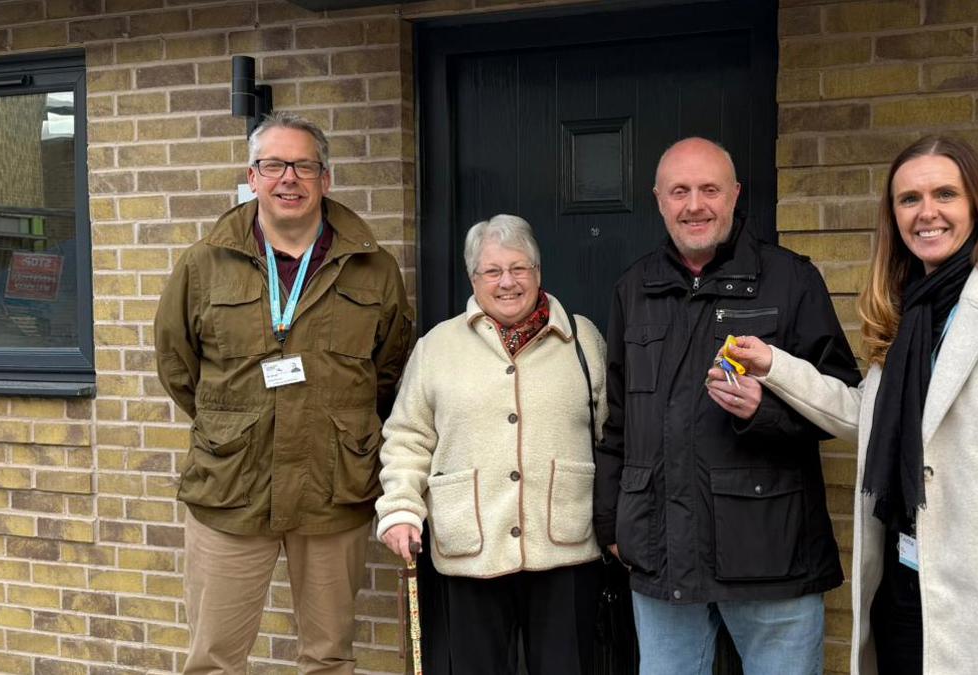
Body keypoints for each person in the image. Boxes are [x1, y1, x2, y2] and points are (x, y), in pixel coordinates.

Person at [721, 135, 978, 674]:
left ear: (977, 204)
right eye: (909, 199)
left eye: (946, 194)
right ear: (893, 214)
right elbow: (866, 419)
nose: (927, 213)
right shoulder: (907, 310)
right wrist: (775, 367)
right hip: (903, 583)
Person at [154, 112, 416, 675]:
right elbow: (179, 366)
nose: (288, 178)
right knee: (213, 659)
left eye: (303, 165)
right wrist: (233, 424)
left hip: (332, 487)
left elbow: (389, 367)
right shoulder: (204, 264)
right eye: (273, 165)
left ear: (326, 177)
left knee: (327, 657)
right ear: (252, 177)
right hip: (230, 486)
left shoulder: (373, 269)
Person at [592, 137, 862, 675]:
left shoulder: (790, 280)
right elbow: (617, 418)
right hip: (659, 552)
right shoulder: (634, 288)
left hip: (770, 554)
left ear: (735, 194)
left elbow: (845, 405)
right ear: (659, 199)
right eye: (680, 191)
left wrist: (764, 411)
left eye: (709, 189)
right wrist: (611, 523)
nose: (695, 205)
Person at [375, 214, 607, 674]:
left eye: (519, 268)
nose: (507, 282)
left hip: (565, 545)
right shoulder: (437, 346)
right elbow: (407, 437)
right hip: (469, 548)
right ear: (473, 278)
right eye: (492, 271)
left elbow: (611, 433)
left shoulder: (582, 338)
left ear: (538, 272)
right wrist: (400, 510)